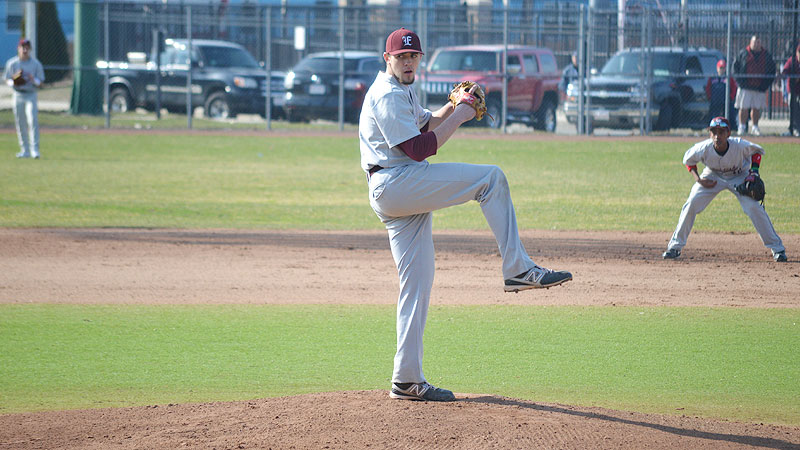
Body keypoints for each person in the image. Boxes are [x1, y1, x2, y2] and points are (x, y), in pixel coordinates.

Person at [359, 28, 572, 402]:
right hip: (397, 181)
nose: (408, 62)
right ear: (387, 58)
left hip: (398, 187)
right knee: (490, 179)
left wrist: (448, 108)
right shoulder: (386, 94)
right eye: (401, 57)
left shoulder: (402, 87)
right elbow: (419, 148)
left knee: (417, 284)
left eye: (413, 57)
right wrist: (460, 114)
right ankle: (518, 269)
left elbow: (424, 123)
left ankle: (406, 379)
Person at [662, 116, 786, 263]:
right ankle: (674, 247)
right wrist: (699, 179)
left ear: (728, 134)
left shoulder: (739, 145)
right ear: (709, 134)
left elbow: (757, 152)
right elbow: (689, 161)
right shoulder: (703, 148)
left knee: (753, 208)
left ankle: (778, 249)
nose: (717, 136)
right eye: (714, 132)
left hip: (739, 176)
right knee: (692, 203)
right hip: (712, 175)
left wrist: (754, 172)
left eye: (721, 132)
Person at [3, 38, 44, 159]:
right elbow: (6, 78)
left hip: (30, 94)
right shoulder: (12, 63)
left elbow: (41, 82)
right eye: (22, 47)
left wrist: (33, 80)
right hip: (18, 94)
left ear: (30, 49)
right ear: (18, 48)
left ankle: (34, 150)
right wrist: (13, 82)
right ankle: (24, 150)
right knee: (20, 121)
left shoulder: (35, 64)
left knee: (32, 120)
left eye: (27, 47)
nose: (25, 50)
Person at [732, 35, 776, 136]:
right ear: (750, 43)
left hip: (759, 87)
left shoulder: (766, 55)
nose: (757, 44)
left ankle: (755, 127)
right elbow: (735, 68)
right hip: (745, 87)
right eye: (755, 42)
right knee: (743, 107)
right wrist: (740, 82)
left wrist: (765, 85)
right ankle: (742, 127)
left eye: (758, 42)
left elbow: (772, 70)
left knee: (756, 108)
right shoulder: (743, 53)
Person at [705, 59, 738, 129]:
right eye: (720, 68)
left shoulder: (729, 78)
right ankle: (713, 127)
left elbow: (734, 88)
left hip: (726, 101)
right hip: (715, 101)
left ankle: (728, 127)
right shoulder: (712, 78)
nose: (722, 70)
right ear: (717, 68)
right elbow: (708, 88)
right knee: (714, 115)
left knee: (728, 115)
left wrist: (731, 97)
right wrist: (709, 97)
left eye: (723, 68)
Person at [781, 44, 800, 137]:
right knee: (793, 109)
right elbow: (785, 71)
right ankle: (794, 128)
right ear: (796, 53)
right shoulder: (792, 60)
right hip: (792, 90)